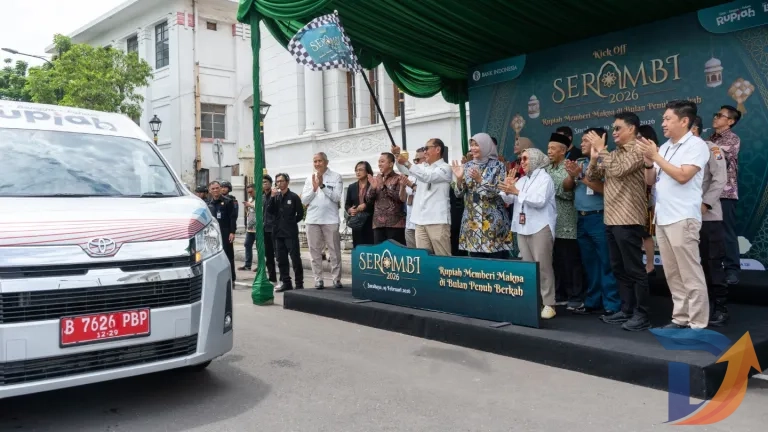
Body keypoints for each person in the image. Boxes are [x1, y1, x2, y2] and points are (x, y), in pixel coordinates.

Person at [637, 100, 711, 329]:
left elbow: (683, 176)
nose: (664, 123)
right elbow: (651, 182)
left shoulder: (696, 145)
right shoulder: (666, 147)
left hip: (683, 217)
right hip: (663, 217)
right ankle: (680, 317)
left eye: (668, 119)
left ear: (684, 121)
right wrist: (649, 163)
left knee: (690, 272)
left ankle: (697, 322)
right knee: (672, 273)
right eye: (663, 119)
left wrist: (656, 157)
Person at [585, 111, 650, 331]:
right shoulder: (613, 152)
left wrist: (602, 150)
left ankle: (643, 314)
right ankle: (626, 310)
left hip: (629, 217)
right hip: (611, 218)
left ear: (631, 128)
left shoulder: (639, 149)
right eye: (613, 129)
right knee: (618, 267)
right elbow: (592, 178)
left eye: (617, 128)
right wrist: (594, 158)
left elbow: (619, 170)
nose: (613, 133)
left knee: (634, 268)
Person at [564, 128, 621, 315]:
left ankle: (611, 304)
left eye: (586, 141)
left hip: (600, 216)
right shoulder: (580, 162)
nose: (581, 144)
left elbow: (607, 189)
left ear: (598, 142)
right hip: (581, 218)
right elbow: (567, 187)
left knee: (606, 262)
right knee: (589, 263)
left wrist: (582, 177)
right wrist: (572, 175)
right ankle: (593, 300)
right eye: (581, 141)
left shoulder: (608, 162)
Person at [499, 148, 558, 319]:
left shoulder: (545, 178)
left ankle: (549, 303)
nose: (522, 162)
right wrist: (507, 185)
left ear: (535, 159)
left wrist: (516, 191)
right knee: (528, 267)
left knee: (543, 266)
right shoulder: (523, 180)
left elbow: (539, 201)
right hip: (523, 227)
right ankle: (533, 301)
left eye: (525, 158)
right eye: (520, 159)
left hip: (540, 227)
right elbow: (508, 199)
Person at [693, 116, 729, 326]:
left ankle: (721, 308)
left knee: (713, 262)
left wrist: (705, 203)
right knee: (694, 265)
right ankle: (700, 307)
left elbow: (720, 179)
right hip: (686, 217)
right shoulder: (677, 150)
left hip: (708, 216)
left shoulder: (711, 148)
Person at [451, 133, 511, 258]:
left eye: (476, 145)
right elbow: (458, 194)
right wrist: (459, 179)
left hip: (493, 222)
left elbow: (498, 191)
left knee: (496, 263)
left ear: (485, 145)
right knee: (477, 265)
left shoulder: (498, 166)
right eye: (471, 145)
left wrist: (480, 180)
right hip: (472, 222)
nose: (473, 148)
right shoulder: (467, 166)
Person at [395, 139, 453, 256]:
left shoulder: (445, 168)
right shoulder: (422, 166)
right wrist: (397, 154)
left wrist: (407, 162)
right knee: (423, 259)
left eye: (427, 148)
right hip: (420, 220)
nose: (424, 151)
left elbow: (428, 177)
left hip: (437, 220)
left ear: (437, 149)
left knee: (442, 258)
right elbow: (403, 169)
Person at [547, 132, 582, 309]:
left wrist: (571, 177)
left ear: (563, 151)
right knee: (556, 262)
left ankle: (575, 296)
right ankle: (560, 294)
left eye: (553, 148)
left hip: (566, 222)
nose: (549, 152)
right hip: (550, 223)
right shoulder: (547, 168)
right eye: (548, 148)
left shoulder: (567, 167)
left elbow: (566, 190)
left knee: (570, 262)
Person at [301, 152, 344, 289]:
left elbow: (337, 197)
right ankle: (318, 279)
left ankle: (336, 279)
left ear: (326, 162)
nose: (317, 164)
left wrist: (322, 186)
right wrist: (314, 188)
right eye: (315, 161)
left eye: (320, 161)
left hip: (330, 219)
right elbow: (304, 200)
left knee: (334, 251)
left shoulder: (336, 177)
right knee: (315, 252)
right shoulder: (309, 178)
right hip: (312, 219)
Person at [710, 105, 742, 285]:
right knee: (711, 233)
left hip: (726, 193)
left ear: (730, 121)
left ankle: (732, 271)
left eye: (720, 115)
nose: (715, 117)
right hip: (709, 195)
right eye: (716, 114)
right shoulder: (710, 139)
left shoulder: (733, 139)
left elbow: (717, 155)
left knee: (727, 233)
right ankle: (714, 268)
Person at [267, 173, 305, 292]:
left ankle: (299, 283)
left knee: (295, 259)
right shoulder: (275, 197)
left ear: (287, 182)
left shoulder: (293, 197)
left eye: (282, 181)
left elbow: (300, 214)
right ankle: (286, 282)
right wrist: (272, 197)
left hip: (290, 233)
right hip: (278, 233)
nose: (279, 183)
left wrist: (291, 222)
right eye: (277, 181)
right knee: (281, 259)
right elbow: (270, 211)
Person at [366, 152, 408, 245]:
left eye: (382, 161)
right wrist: (373, 188)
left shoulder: (398, 178)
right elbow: (369, 200)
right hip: (378, 224)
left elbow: (399, 198)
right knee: (380, 255)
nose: (379, 164)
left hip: (395, 224)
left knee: (395, 255)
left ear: (391, 164)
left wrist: (382, 186)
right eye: (379, 162)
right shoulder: (377, 179)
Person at [638, 125, 660, 275]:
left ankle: (650, 265)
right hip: (635, 197)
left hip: (649, 196)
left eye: (639, 137)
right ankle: (640, 263)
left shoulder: (657, 152)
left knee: (646, 233)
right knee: (637, 233)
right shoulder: (633, 153)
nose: (637, 140)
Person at [206, 181, 237, 282]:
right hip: (213, 234)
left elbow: (232, 217)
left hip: (225, 231)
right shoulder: (208, 204)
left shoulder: (228, 202)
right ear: (210, 191)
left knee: (228, 255)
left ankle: (231, 278)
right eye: (213, 188)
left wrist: (232, 232)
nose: (215, 190)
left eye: (217, 188)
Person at [344, 161, 375, 247]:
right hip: (357, 222)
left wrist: (366, 205)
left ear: (367, 171)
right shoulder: (352, 187)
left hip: (371, 220)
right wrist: (350, 210)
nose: (358, 172)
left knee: (370, 247)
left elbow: (377, 201)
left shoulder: (373, 185)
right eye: (356, 170)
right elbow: (347, 204)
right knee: (358, 247)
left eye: (360, 170)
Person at [403, 148, 426, 248]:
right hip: (409, 220)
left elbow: (424, 191)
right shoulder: (411, 175)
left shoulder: (428, 174)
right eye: (414, 160)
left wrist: (412, 185)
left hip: (421, 222)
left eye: (418, 160)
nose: (415, 162)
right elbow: (405, 196)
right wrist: (402, 186)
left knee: (423, 252)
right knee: (411, 254)